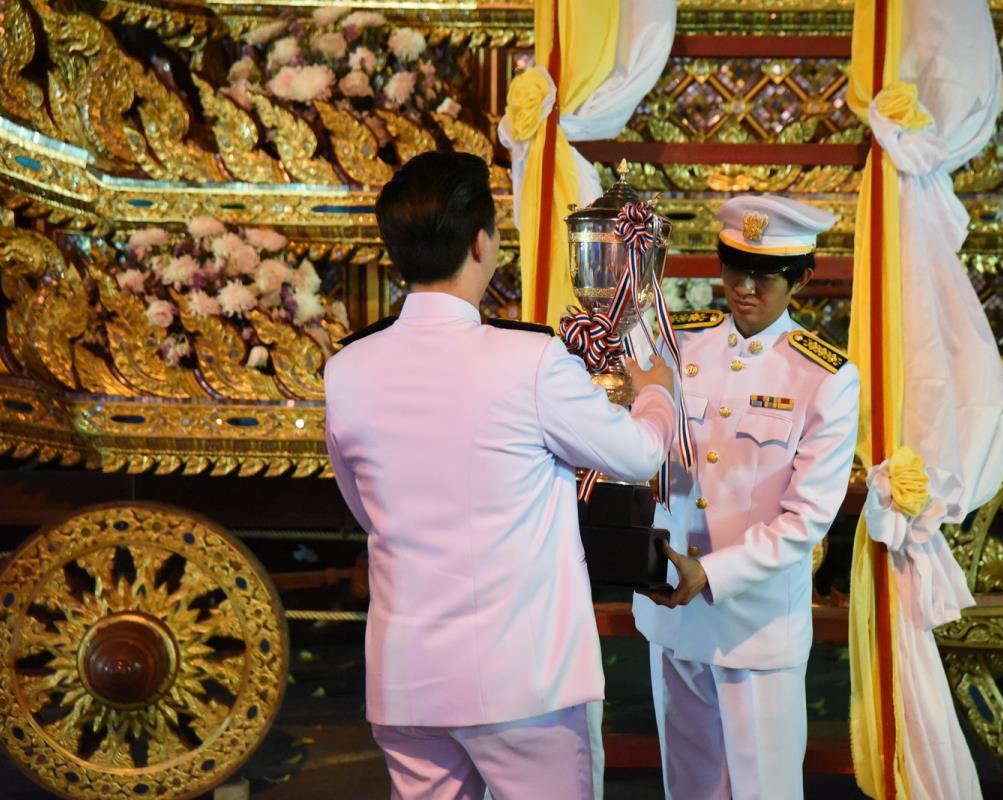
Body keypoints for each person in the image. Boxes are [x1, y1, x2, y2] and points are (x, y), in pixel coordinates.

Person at [324, 151, 677, 799]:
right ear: (481, 243)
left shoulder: (347, 369)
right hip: (524, 682)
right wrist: (657, 393)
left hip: (408, 678)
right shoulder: (529, 360)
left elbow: (364, 506)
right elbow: (636, 456)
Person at [632, 194, 860, 799]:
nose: (745, 288)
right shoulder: (682, 345)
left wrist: (711, 572)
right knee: (689, 787)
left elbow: (806, 519)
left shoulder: (825, 377)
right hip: (671, 609)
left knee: (764, 789)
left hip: (754, 624)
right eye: (734, 269)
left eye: (766, 276)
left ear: (801, 280)